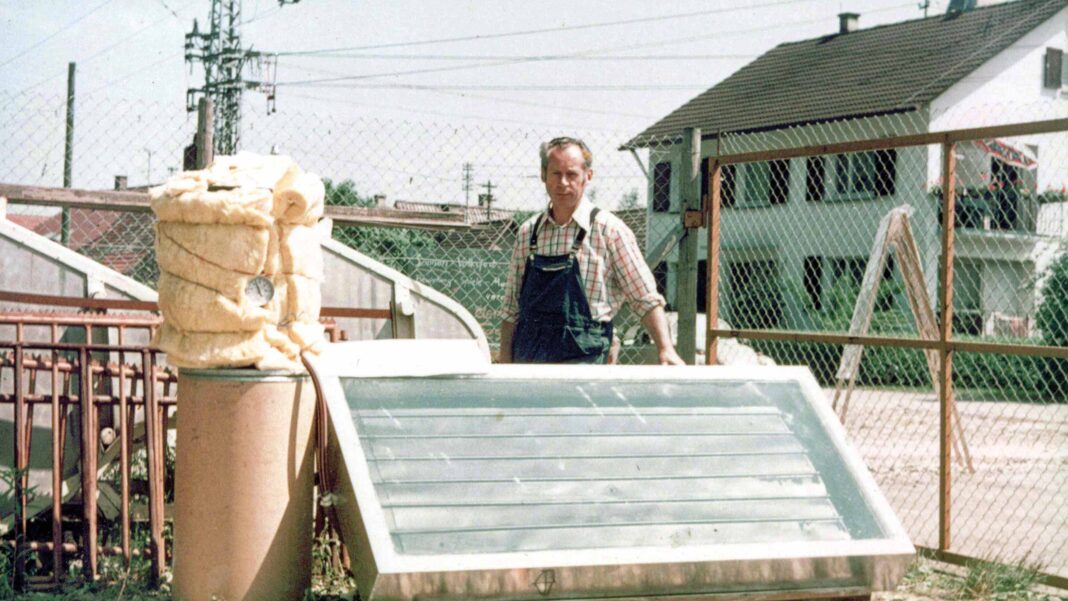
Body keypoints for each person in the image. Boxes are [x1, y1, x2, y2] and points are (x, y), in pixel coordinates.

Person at [498, 136, 684, 365]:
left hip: (586, 362)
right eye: (556, 173)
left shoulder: (610, 231)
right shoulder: (528, 233)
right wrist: (505, 360)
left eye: (571, 174)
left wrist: (665, 348)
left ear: (588, 176)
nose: (563, 182)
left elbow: (644, 298)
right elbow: (511, 309)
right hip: (529, 361)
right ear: (543, 175)